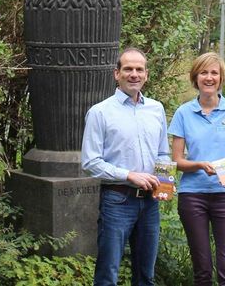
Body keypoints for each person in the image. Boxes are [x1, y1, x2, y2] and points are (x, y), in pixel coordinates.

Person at [81, 48, 170, 286]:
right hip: (117, 201)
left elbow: (162, 153)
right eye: (128, 69)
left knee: (145, 275)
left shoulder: (156, 109)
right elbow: (90, 162)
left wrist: (165, 183)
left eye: (139, 69)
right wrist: (129, 175)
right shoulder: (100, 112)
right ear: (116, 74)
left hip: (150, 202)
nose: (134, 74)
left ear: (146, 74)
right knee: (108, 274)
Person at [168, 52, 225, 286]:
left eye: (214, 72)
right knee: (202, 270)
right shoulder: (184, 112)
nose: (209, 77)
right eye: (204, 72)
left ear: (221, 77)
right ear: (196, 77)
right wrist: (199, 165)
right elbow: (177, 161)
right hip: (193, 197)